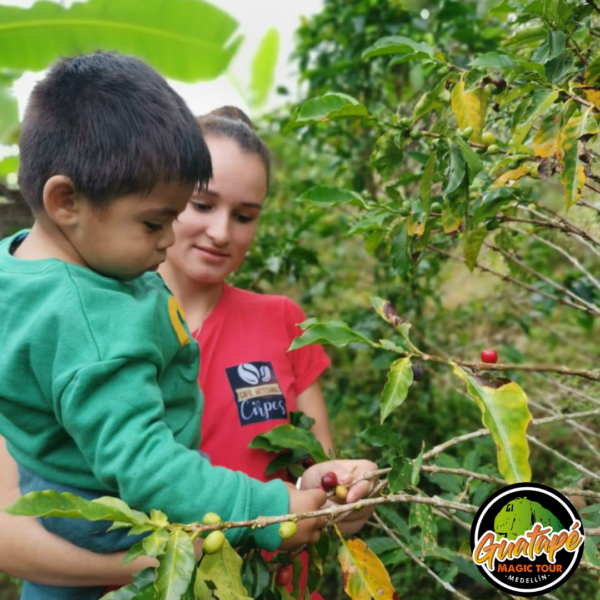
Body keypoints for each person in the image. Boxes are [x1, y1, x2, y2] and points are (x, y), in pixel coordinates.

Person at [0, 53, 374, 600]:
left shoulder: (22, 274)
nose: (171, 238)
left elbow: (309, 467)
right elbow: (145, 463)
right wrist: (263, 511)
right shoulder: (93, 323)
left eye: (245, 215)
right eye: (162, 220)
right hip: (118, 541)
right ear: (66, 202)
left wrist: (317, 489)